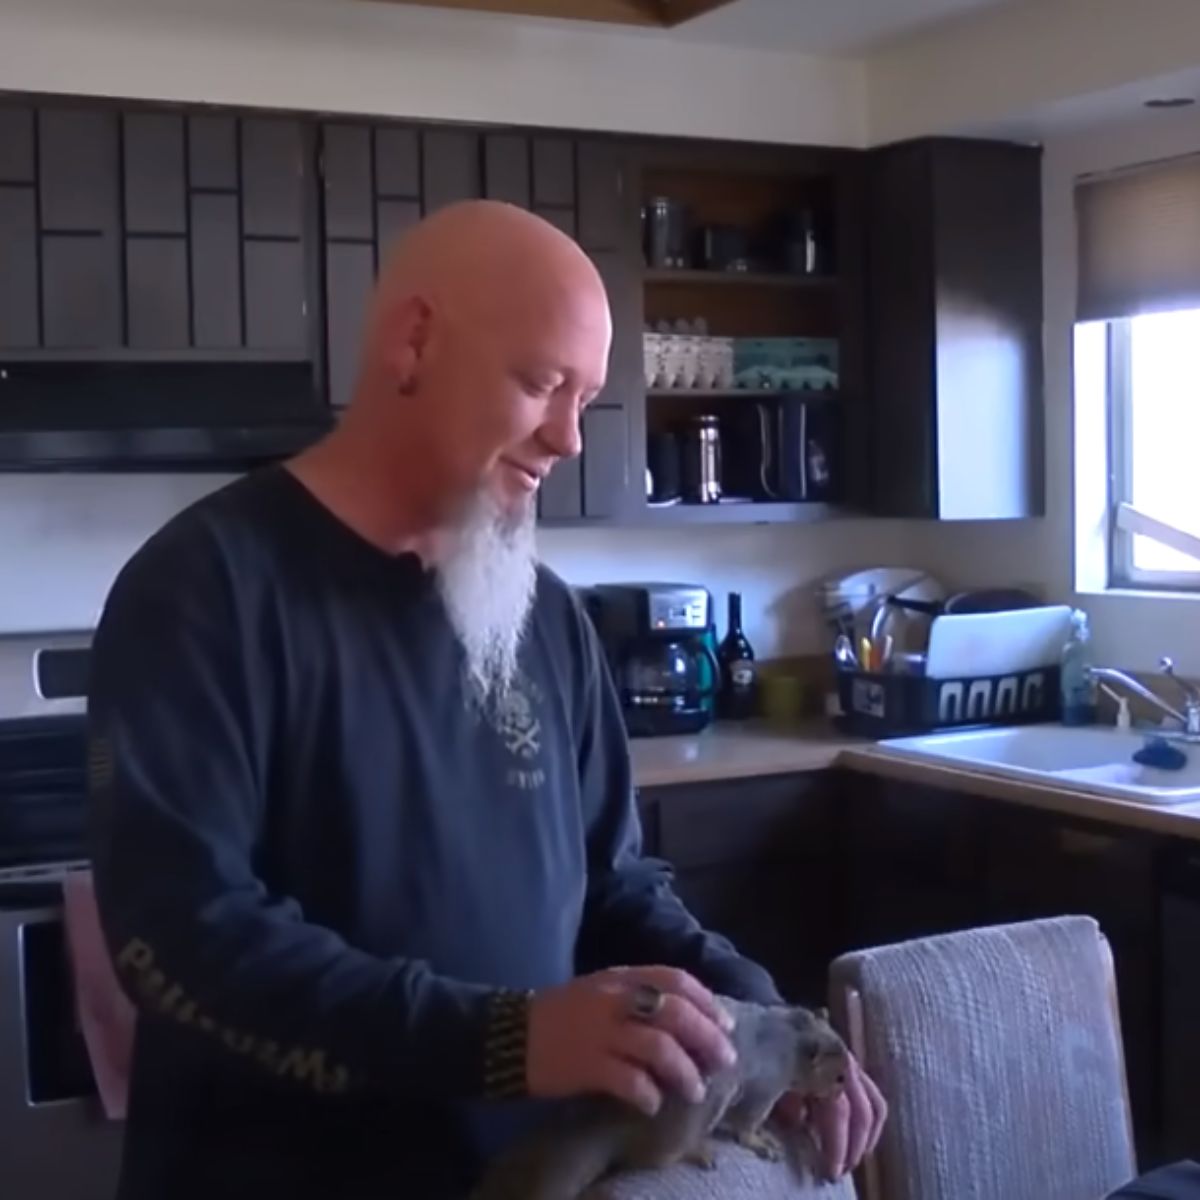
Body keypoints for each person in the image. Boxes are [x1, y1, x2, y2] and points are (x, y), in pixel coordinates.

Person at [86, 200, 886, 1200]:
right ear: (413, 341)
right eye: (543, 383)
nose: (568, 439)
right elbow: (181, 935)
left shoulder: (546, 618)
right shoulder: (206, 588)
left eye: (587, 400)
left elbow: (614, 888)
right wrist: (508, 1041)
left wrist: (771, 1026)